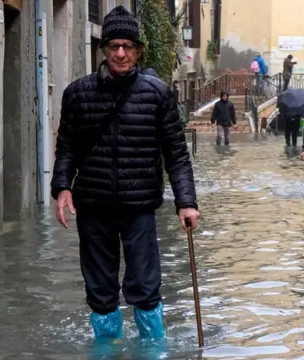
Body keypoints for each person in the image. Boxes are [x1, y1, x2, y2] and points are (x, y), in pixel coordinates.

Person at [50, 6, 200, 342]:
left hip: (139, 207)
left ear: (138, 51)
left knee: (146, 286)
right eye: (114, 46)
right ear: (103, 49)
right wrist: (62, 187)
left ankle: (151, 348)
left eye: (128, 46)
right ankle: (105, 349)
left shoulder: (158, 94)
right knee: (100, 289)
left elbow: (176, 154)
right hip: (93, 205)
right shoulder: (77, 94)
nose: (121, 53)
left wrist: (186, 203)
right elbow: (66, 147)